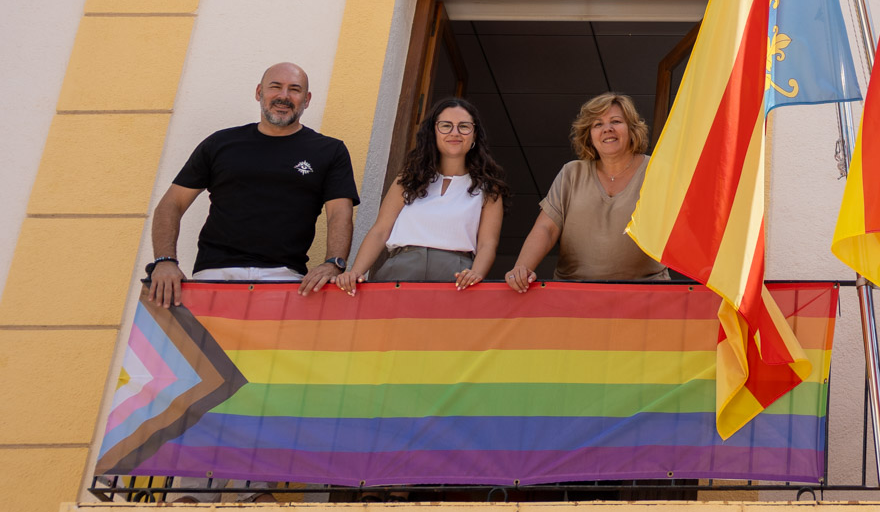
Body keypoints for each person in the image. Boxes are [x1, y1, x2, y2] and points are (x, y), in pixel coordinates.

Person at [144, 62, 359, 307]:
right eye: (275, 87)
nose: (284, 96)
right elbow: (172, 203)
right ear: (259, 92)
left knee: (277, 348)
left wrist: (333, 263)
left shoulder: (330, 151)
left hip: (286, 278)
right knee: (203, 347)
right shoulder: (220, 144)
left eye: (294, 89)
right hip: (214, 274)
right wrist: (164, 261)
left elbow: (339, 214)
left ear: (307, 99)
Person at [336, 96, 508, 292]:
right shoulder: (409, 179)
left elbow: (488, 244)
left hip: (458, 277)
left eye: (464, 126)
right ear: (433, 132)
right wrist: (355, 272)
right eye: (445, 125)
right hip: (400, 270)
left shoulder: (489, 188)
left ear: (475, 134)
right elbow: (380, 231)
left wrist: (476, 273)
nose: (455, 132)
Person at [504, 92, 665, 290]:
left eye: (615, 121)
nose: (607, 129)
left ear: (632, 129)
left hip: (647, 294)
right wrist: (521, 268)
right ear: (589, 135)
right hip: (574, 294)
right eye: (597, 124)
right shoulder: (571, 173)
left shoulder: (657, 171)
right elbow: (546, 228)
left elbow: (684, 227)